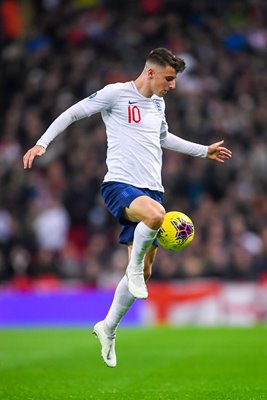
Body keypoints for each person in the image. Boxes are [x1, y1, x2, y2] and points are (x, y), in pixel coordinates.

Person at [23, 48, 232, 367]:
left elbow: (164, 138)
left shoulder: (159, 103)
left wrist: (202, 151)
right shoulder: (116, 94)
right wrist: (42, 143)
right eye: (169, 78)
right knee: (155, 218)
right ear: (151, 72)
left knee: (146, 272)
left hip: (152, 189)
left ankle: (108, 327)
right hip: (120, 184)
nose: (173, 86)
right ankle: (132, 270)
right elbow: (73, 113)